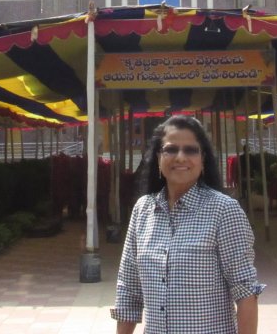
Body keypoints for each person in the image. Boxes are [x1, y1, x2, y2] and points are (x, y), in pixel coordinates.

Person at [111, 115, 265, 334]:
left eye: (190, 150)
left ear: (203, 159)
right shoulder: (142, 210)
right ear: (158, 158)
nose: (180, 157)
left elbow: (245, 291)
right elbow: (129, 290)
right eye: (171, 149)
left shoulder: (223, 211)